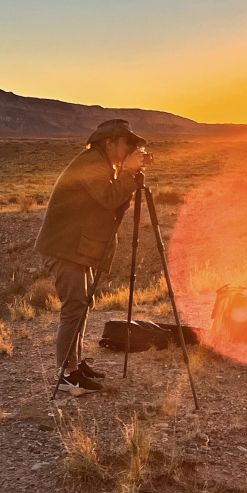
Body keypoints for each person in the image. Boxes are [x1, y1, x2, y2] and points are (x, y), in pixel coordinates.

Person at [35, 118, 147, 394]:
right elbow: (109, 198)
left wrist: (128, 175)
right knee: (74, 308)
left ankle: (75, 365)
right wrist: (130, 174)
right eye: (127, 143)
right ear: (109, 142)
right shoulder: (91, 163)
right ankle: (66, 376)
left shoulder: (102, 164)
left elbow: (111, 200)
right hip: (66, 248)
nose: (131, 149)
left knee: (82, 305)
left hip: (77, 247)